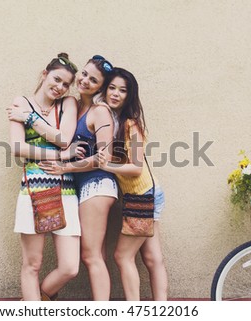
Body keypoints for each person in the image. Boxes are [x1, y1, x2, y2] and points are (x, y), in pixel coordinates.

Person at [38, 55, 118, 300]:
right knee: (96, 254)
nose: (84, 80)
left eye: (93, 80)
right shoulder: (73, 105)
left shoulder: (100, 111)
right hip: (82, 187)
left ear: (101, 87)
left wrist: (66, 168)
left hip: (97, 184)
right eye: (84, 74)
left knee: (91, 255)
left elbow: (105, 157)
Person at [7, 53, 82, 301]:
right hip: (32, 192)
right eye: (56, 79)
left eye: (65, 84)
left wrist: (29, 119)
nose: (60, 87)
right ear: (44, 74)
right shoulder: (21, 101)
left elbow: (65, 139)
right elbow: (18, 148)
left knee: (70, 267)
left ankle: (35, 300)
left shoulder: (68, 103)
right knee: (33, 264)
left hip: (66, 193)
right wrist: (61, 155)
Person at [97, 67, 168, 301]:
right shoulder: (112, 119)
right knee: (152, 257)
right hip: (145, 193)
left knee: (122, 256)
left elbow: (136, 167)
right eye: (112, 88)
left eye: (123, 90)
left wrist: (106, 166)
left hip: (143, 194)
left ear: (130, 95)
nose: (116, 93)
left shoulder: (131, 124)